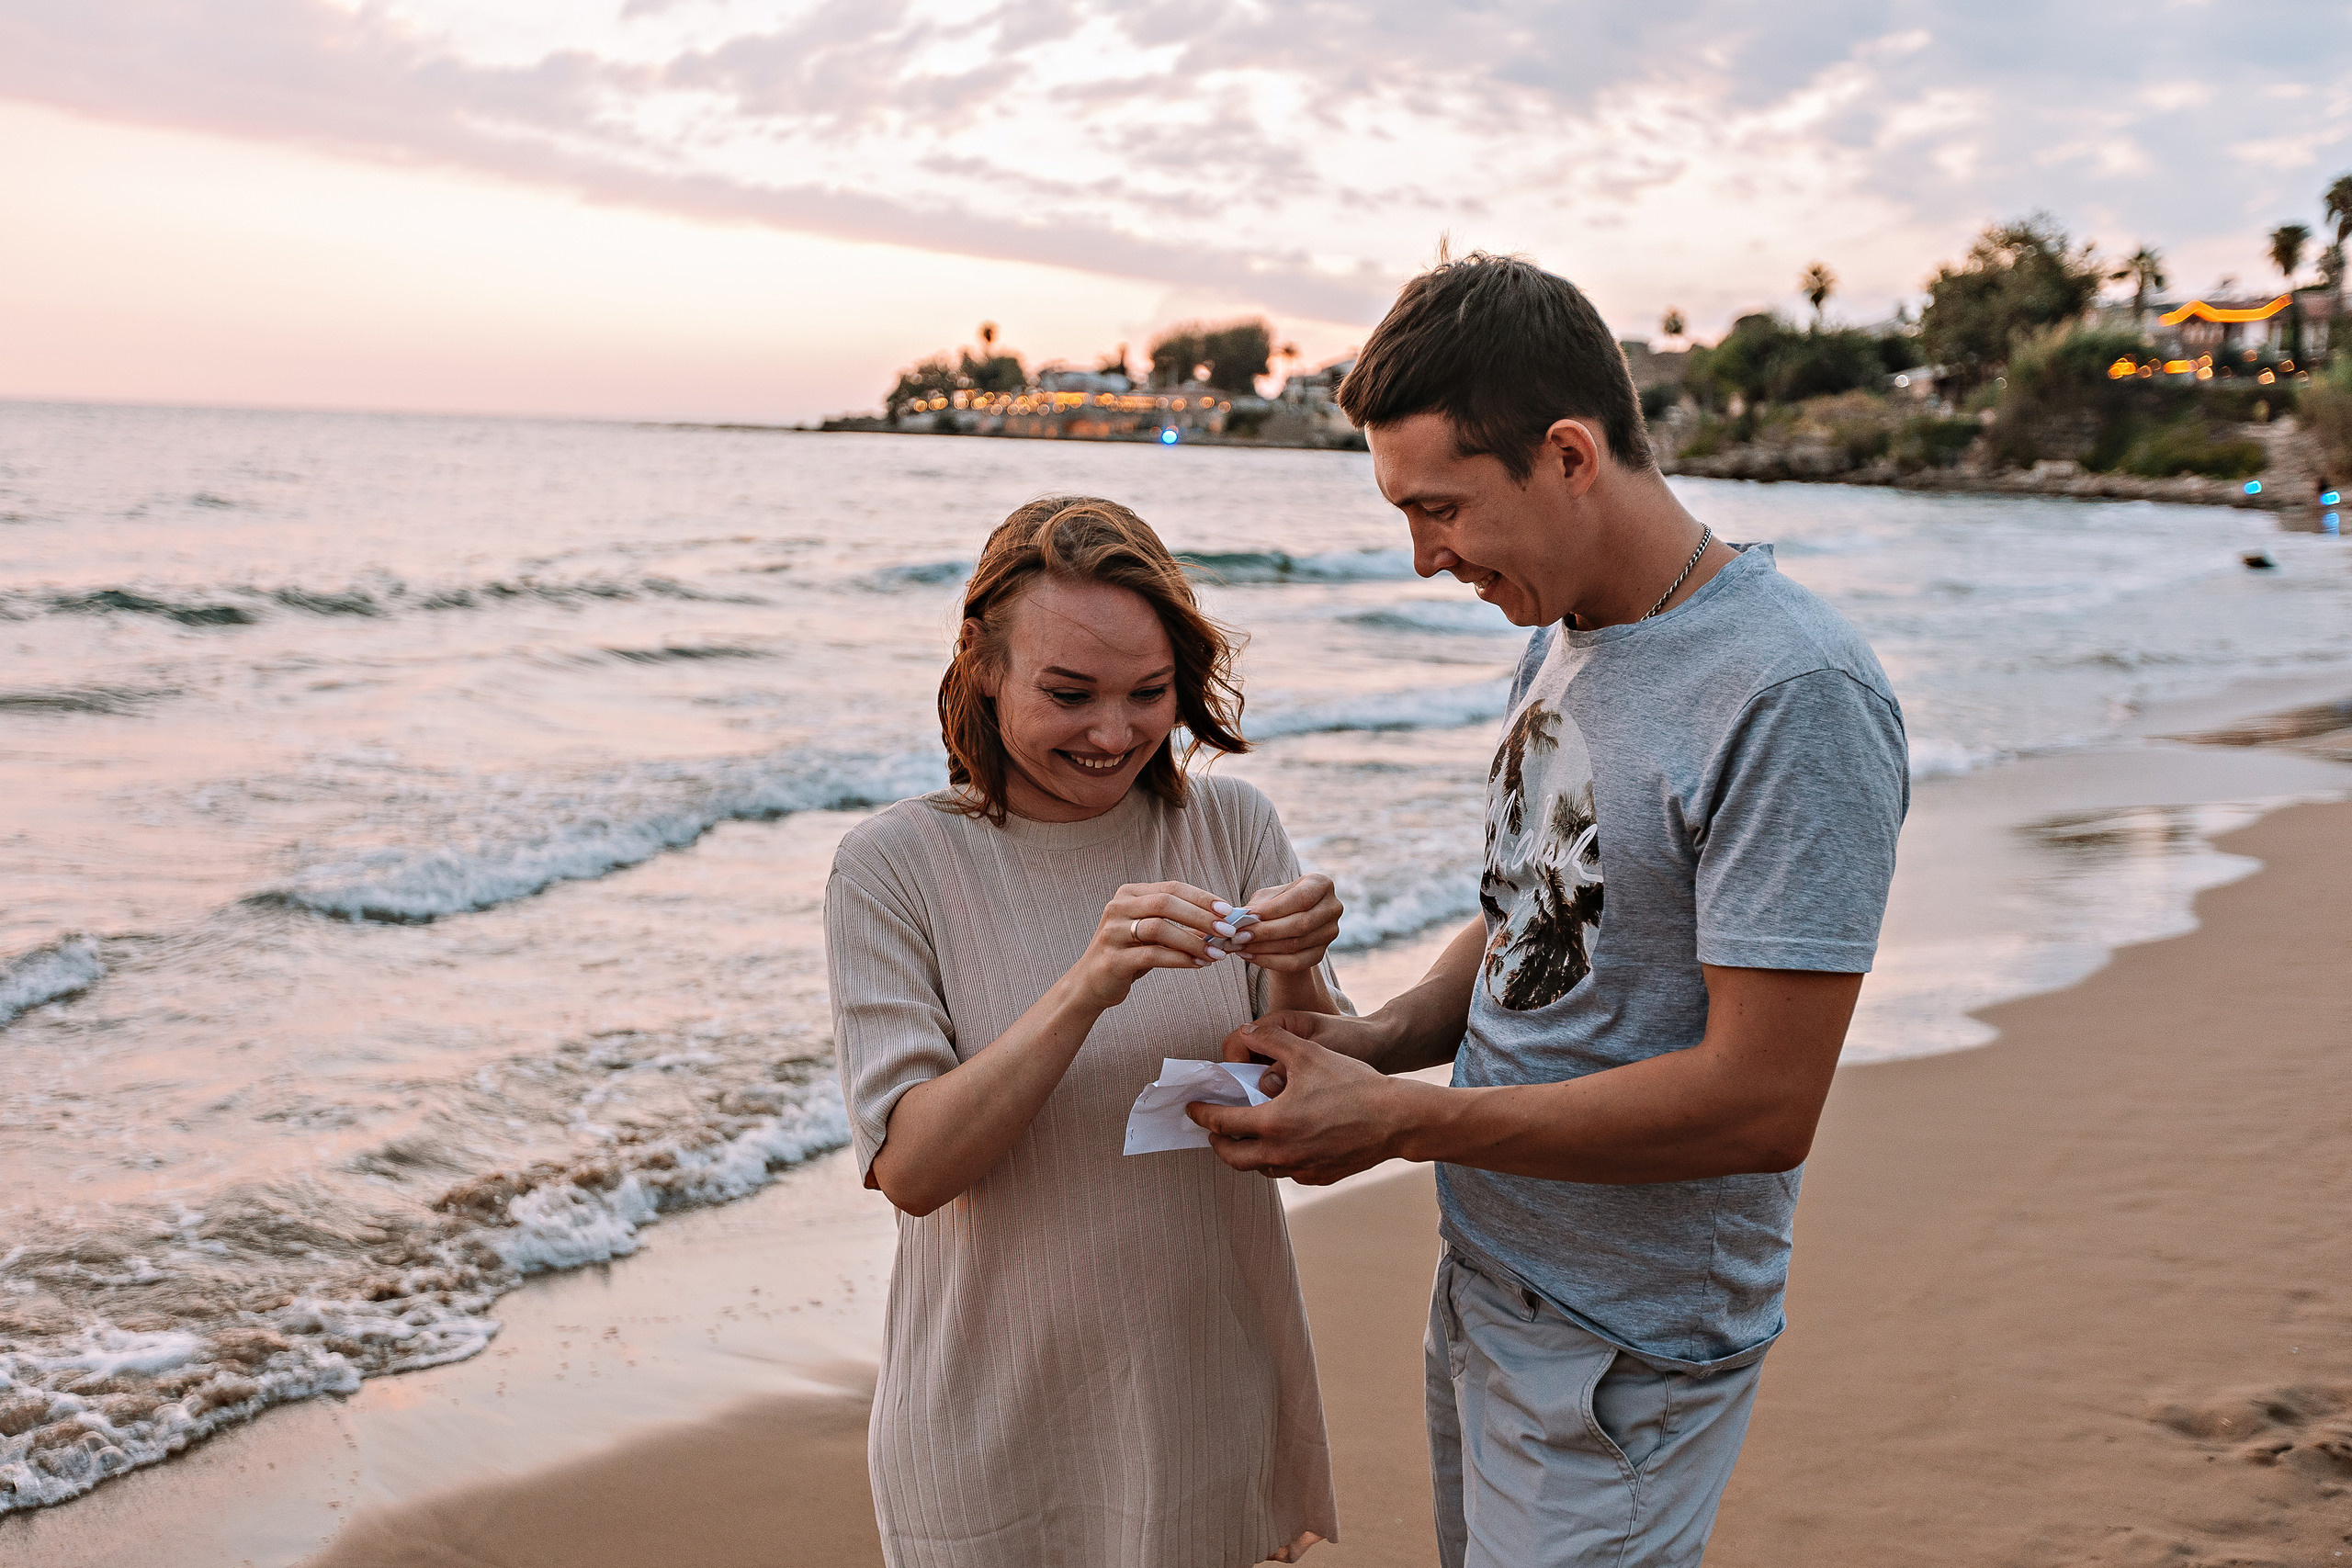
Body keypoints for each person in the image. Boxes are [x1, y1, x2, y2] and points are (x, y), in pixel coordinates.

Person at [1189, 254, 1910, 1567]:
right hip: (1495, 1275)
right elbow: (1545, 901)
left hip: (1626, 1345)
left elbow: (1763, 1100)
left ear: (1570, 454)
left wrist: (1403, 1118)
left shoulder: (1793, 691)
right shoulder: (1562, 626)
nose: (1422, 558)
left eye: (1442, 508)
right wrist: (1385, 1036)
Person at [825, 495, 1347, 1568]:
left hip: (1209, 1404)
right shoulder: (894, 867)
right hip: (994, 1438)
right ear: (980, 662)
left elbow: (1321, 1124)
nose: (1113, 733)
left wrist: (1294, 963)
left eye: (1149, 693)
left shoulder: (1231, 827)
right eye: (1069, 694)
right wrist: (1084, 988)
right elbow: (914, 1168)